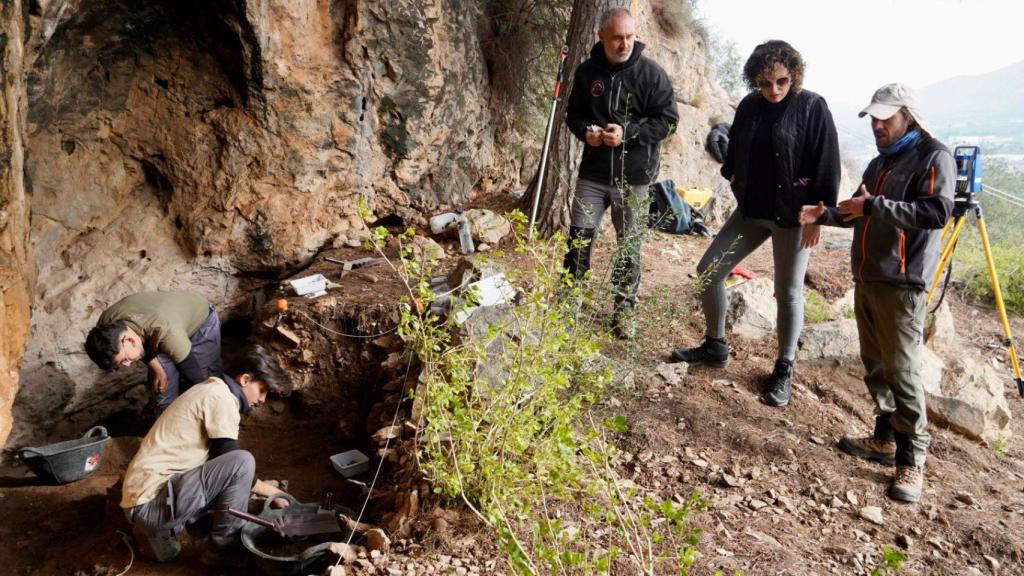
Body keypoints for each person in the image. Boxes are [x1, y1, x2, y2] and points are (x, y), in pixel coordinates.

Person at [799, 83, 954, 502]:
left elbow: (937, 212)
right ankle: (885, 437)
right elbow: (856, 211)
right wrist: (824, 214)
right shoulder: (880, 162)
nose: (877, 125)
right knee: (875, 365)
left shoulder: (933, 155)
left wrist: (875, 206)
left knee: (902, 372)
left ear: (909, 115)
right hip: (868, 276)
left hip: (903, 283)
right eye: (874, 117)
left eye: (886, 117)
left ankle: (912, 459)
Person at [669, 40, 840, 407]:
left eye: (781, 81)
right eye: (765, 83)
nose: (773, 90)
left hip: (793, 216)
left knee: (788, 292)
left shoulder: (812, 106)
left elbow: (827, 165)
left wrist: (820, 217)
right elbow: (734, 153)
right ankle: (715, 345)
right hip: (750, 212)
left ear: (793, 75)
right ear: (754, 82)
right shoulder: (749, 106)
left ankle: (784, 368)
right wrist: (734, 177)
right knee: (709, 270)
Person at [562, 7, 679, 339]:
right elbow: (574, 114)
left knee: (629, 247)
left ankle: (624, 309)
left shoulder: (651, 74)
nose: (624, 43)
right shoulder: (587, 72)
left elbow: (668, 121)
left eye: (629, 36)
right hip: (593, 175)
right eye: (617, 37)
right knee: (578, 240)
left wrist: (628, 133)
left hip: (635, 179)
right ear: (602, 37)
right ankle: (570, 304)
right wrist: (586, 131)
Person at [120, 344, 293, 565]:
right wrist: (273, 492)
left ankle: (163, 530)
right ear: (245, 380)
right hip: (150, 505)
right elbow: (232, 460)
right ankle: (222, 548)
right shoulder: (221, 398)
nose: (262, 400)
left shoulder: (211, 389)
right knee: (242, 462)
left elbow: (218, 462)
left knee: (229, 471)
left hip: (143, 500)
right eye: (263, 390)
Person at [85, 291, 222, 412]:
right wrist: (157, 368)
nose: (127, 365)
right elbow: (141, 346)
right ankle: (167, 427)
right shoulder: (105, 328)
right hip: (162, 325)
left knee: (208, 379)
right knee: (163, 390)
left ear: (130, 340)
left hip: (201, 322)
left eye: (125, 359)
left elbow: (197, 380)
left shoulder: (167, 333)